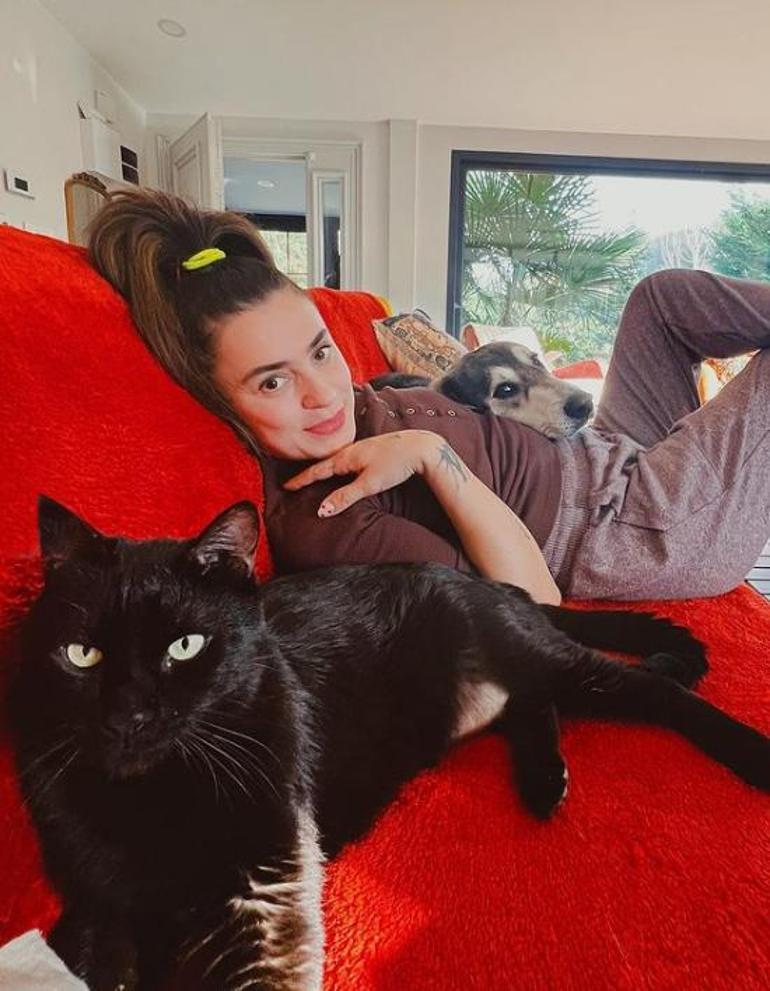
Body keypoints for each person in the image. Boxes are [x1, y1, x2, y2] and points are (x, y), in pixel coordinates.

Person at [87, 188, 770, 605]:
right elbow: (532, 600)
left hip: (607, 451)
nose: (322, 393)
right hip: (631, 525)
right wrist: (428, 454)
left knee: (660, 298)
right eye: (272, 381)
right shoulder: (327, 519)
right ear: (217, 401)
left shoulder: (353, 405)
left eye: (320, 351)